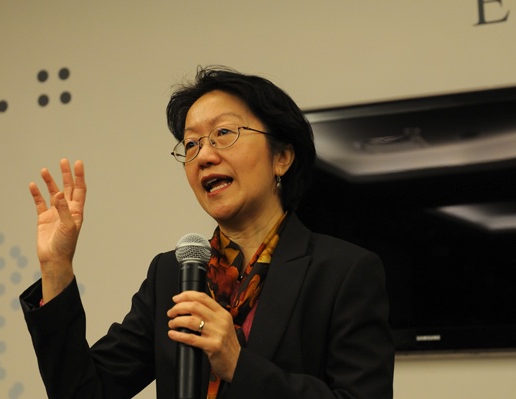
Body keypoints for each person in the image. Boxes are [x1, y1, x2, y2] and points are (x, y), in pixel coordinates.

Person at [20, 66, 395, 399]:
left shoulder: (344, 272)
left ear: (282, 156)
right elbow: (83, 392)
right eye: (192, 144)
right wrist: (56, 267)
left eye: (223, 133)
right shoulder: (171, 275)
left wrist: (237, 364)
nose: (204, 156)